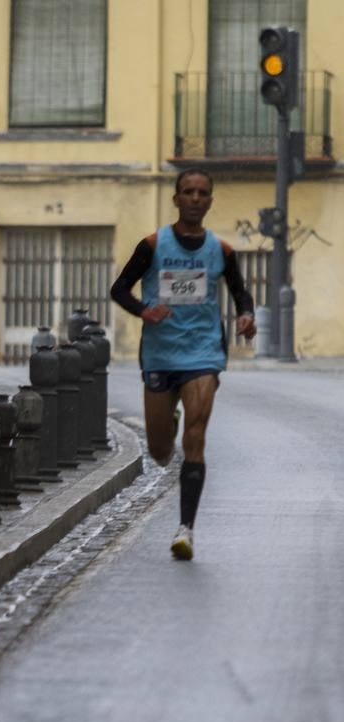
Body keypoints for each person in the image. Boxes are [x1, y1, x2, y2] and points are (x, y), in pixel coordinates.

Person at [110, 168, 256, 561]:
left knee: (196, 437)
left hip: (204, 353)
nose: (194, 198)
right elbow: (119, 289)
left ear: (210, 201)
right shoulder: (153, 245)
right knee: (160, 450)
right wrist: (144, 310)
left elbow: (242, 295)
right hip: (160, 353)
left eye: (202, 192)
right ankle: (166, 423)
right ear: (176, 199)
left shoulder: (222, 251)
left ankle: (185, 530)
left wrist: (245, 317)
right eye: (187, 192)